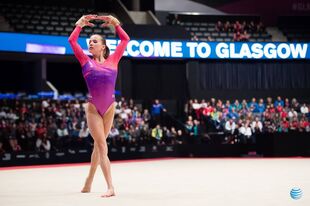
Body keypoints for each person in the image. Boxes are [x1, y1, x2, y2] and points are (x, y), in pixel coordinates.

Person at [68, 14, 130, 197]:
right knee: (103, 146)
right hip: (94, 108)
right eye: (89, 41)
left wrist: (115, 23)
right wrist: (79, 24)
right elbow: (72, 41)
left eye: (94, 41)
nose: (90, 44)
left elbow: (125, 39)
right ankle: (111, 187)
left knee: (98, 145)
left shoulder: (114, 60)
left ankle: (88, 180)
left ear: (103, 46)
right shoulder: (85, 61)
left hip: (110, 107)